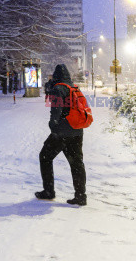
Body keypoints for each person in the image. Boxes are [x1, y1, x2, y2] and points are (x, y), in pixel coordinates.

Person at [35, 64, 87, 206]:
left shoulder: (58, 89)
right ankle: (81, 196)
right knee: (77, 163)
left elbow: (56, 111)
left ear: (56, 75)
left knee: (45, 156)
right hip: (77, 131)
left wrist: (53, 126)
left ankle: (49, 191)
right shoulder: (74, 87)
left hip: (62, 132)